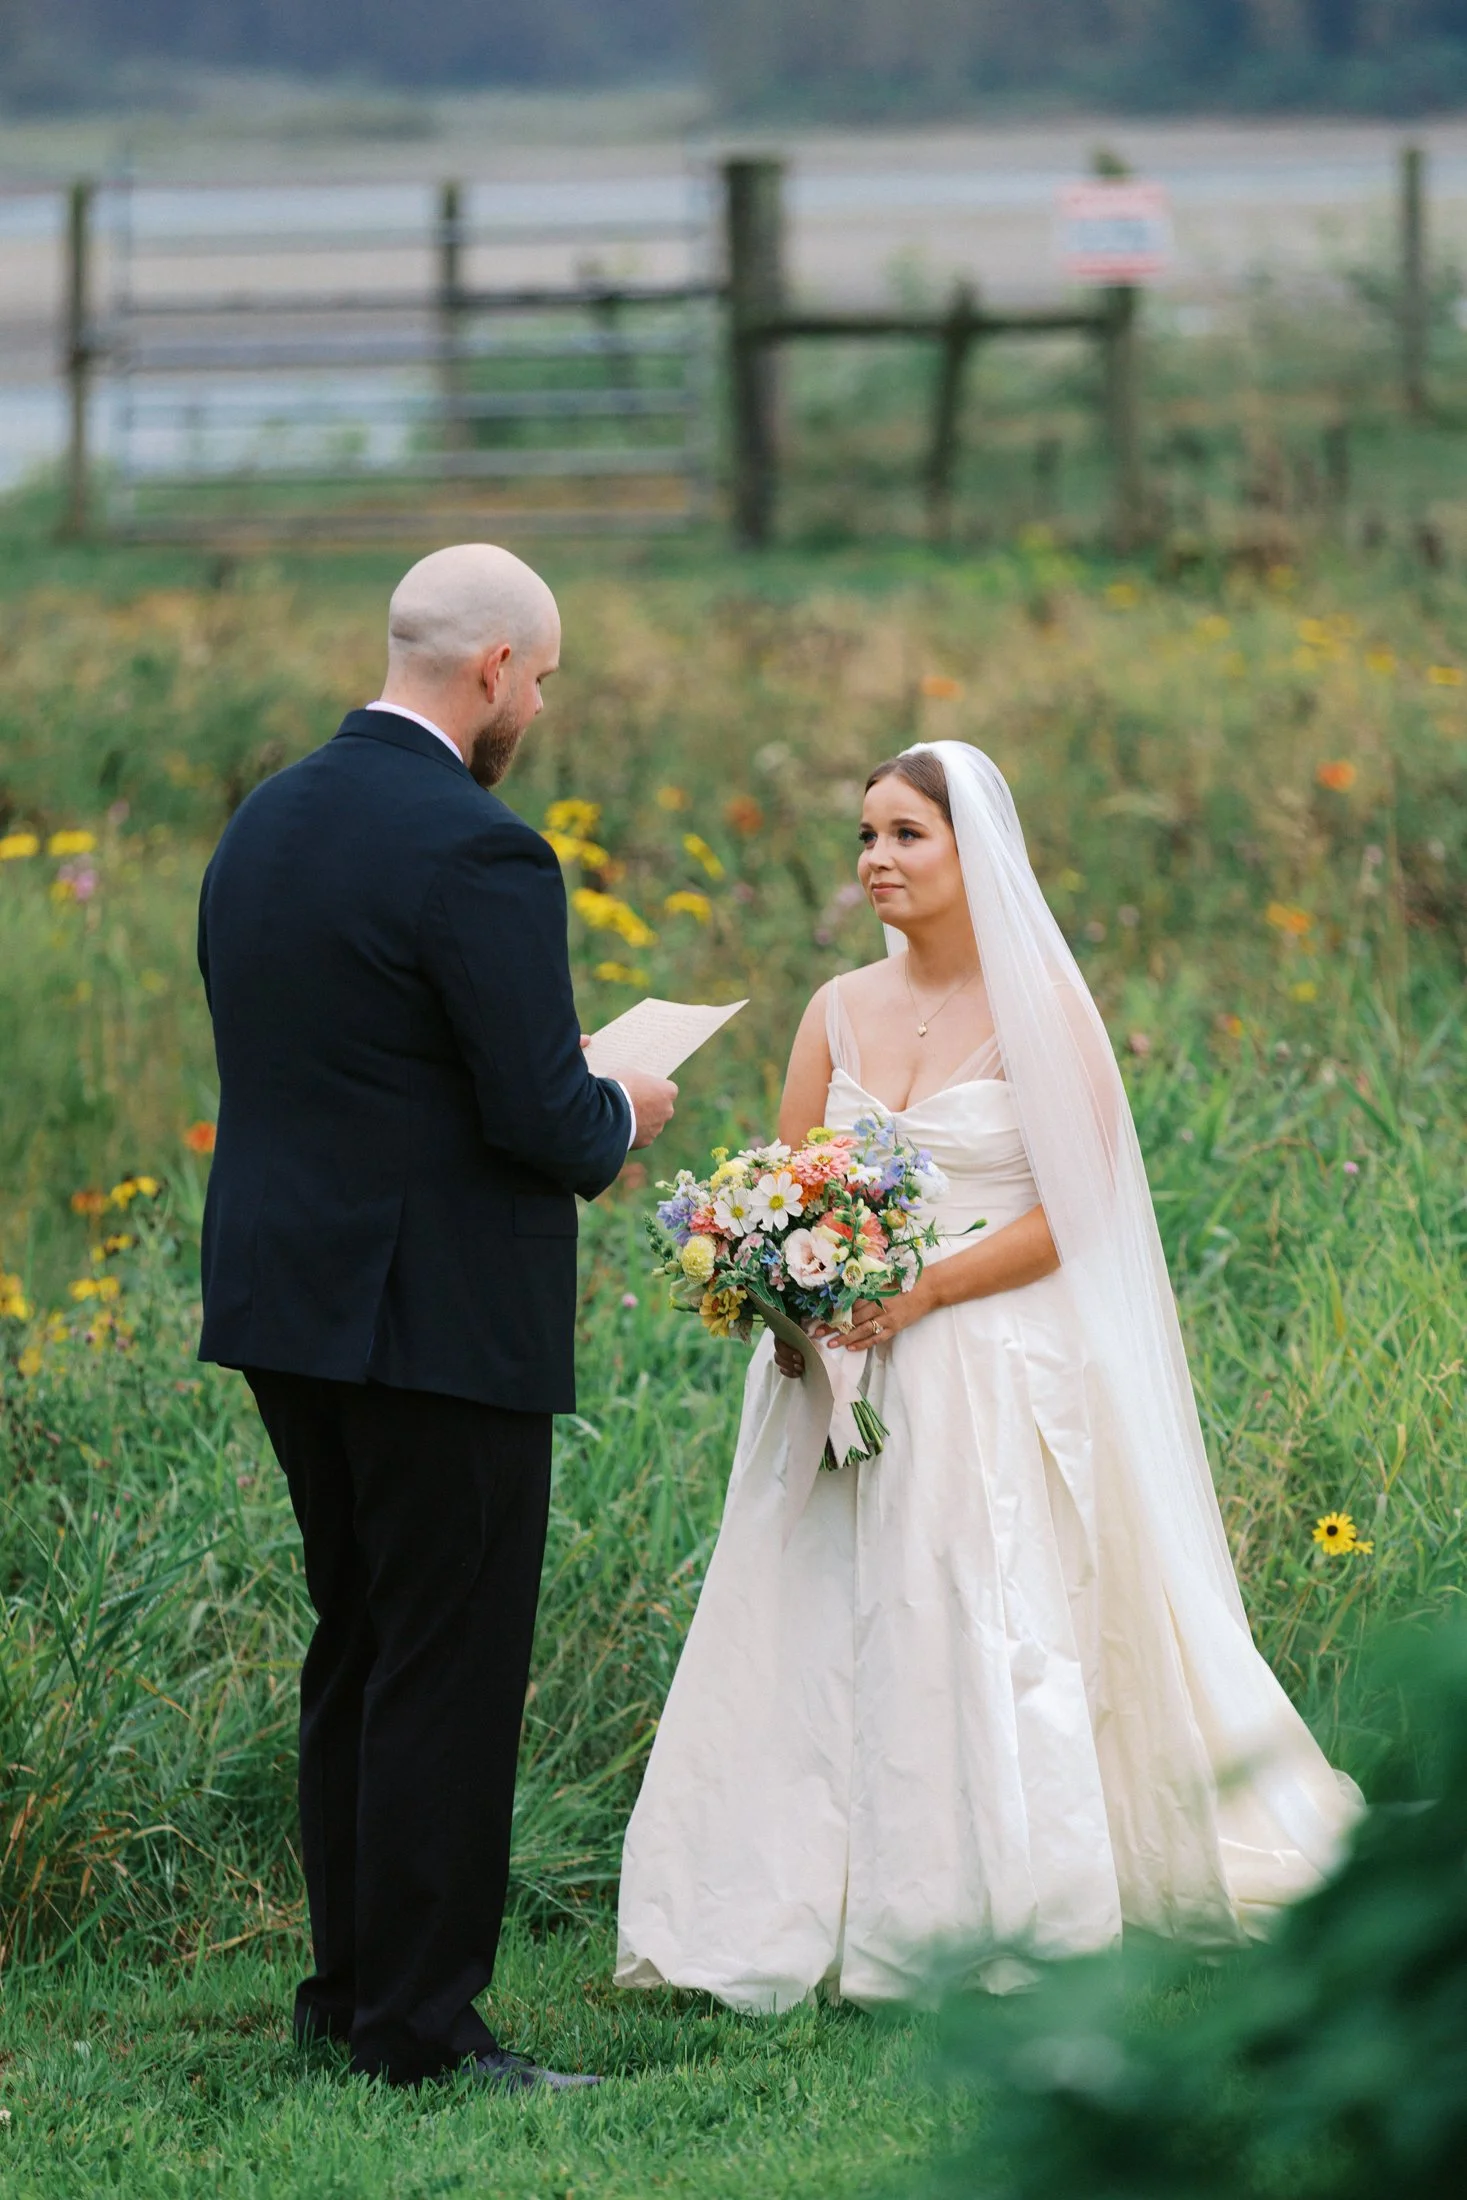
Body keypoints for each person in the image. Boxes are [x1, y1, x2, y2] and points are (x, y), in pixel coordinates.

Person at [616, 739, 1358, 2011]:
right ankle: (794, 1890)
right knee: (811, 1620)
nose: (877, 859)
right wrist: (775, 1292)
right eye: (866, 836)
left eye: (907, 834)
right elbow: (789, 1184)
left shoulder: (1044, 1011)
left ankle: (990, 1895)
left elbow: (1081, 1210)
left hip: (990, 1355)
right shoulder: (834, 1007)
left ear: (976, 854)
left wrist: (927, 1293)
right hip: (834, 1370)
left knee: (974, 1610)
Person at [197, 543, 676, 2088]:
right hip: (431, 1313)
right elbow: (547, 1123)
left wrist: (544, 1076)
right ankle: (421, 2031)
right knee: (447, 1664)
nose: (538, 708)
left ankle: (352, 1998)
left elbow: (361, 1054)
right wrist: (622, 1103)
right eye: (542, 680)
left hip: (284, 1297)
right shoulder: (482, 850)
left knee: (360, 1641)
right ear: (494, 669)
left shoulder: (266, 818)